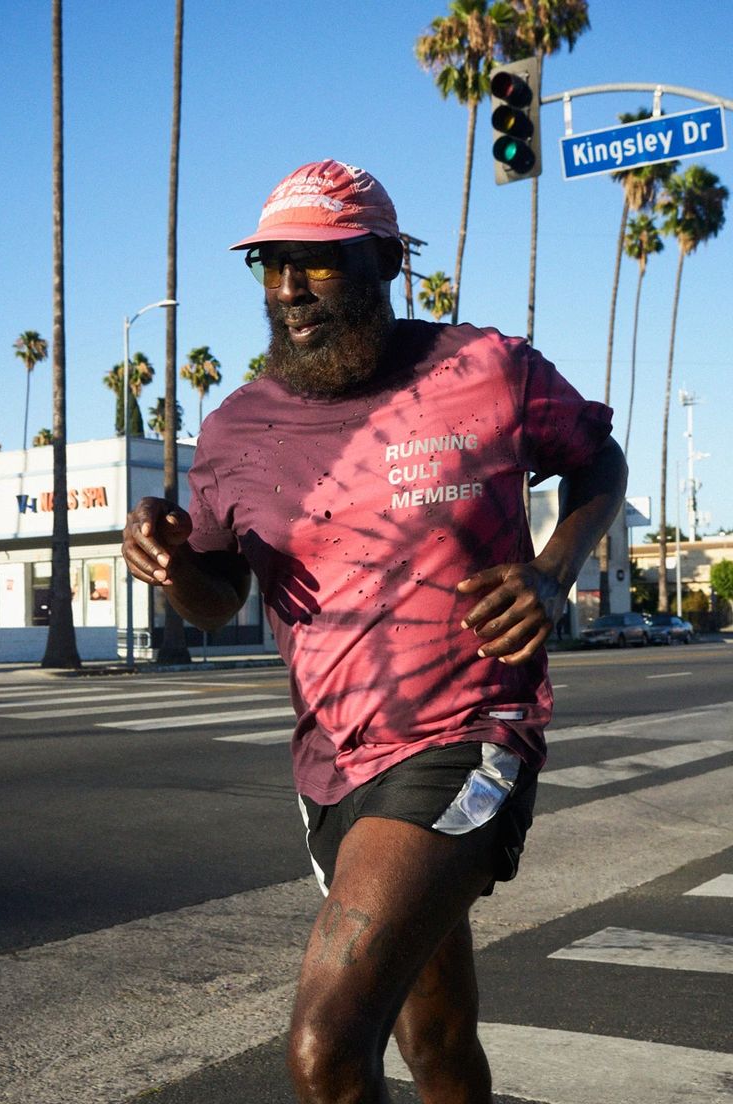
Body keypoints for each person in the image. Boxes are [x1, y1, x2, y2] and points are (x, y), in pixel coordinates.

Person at [122, 159, 628, 1104]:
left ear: (387, 260)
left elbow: (599, 462)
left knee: (325, 1053)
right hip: (331, 766)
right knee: (436, 1043)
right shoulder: (236, 430)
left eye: (315, 262)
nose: (288, 288)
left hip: (464, 733)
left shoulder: (485, 370)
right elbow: (218, 599)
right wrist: (174, 566)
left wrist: (554, 573)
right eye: (272, 265)